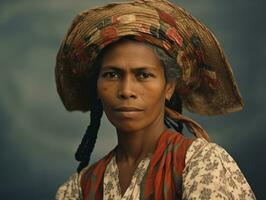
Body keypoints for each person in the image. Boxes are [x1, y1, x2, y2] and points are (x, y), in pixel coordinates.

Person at [55, 0, 256, 199]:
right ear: (97, 87)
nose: (126, 91)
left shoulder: (200, 163)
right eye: (112, 75)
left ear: (169, 87)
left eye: (143, 75)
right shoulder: (78, 189)